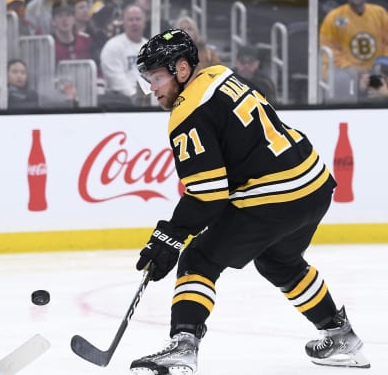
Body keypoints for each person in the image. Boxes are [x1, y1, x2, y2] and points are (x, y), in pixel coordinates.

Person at [129, 28, 370, 374]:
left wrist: (169, 236)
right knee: (278, 261)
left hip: (276, 193)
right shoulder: (219, 74)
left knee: (199, 259)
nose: (151, 88)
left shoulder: (186, 115)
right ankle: (341, 337)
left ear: (182, 70)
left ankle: (183, 348)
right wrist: (175, 232)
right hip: (313, 183)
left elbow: (208, 193)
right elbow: (233, 163)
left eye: (155, 78)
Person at [319, 0, 388, 99]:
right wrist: (349, 67)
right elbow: (328, 48)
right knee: (341, 79)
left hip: (377, 69)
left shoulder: (380, 13)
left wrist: (380, 65)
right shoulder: (334, 17)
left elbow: (386, 43)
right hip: (346, 72)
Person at [100, 4, 147, 102]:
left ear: (144, 23)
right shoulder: (112, 46)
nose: (134, 23)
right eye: (130, 19)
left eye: (138, 19)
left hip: (149, 100)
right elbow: (116, 80)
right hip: (121, 103)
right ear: (124, 23)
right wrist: (135, 96)